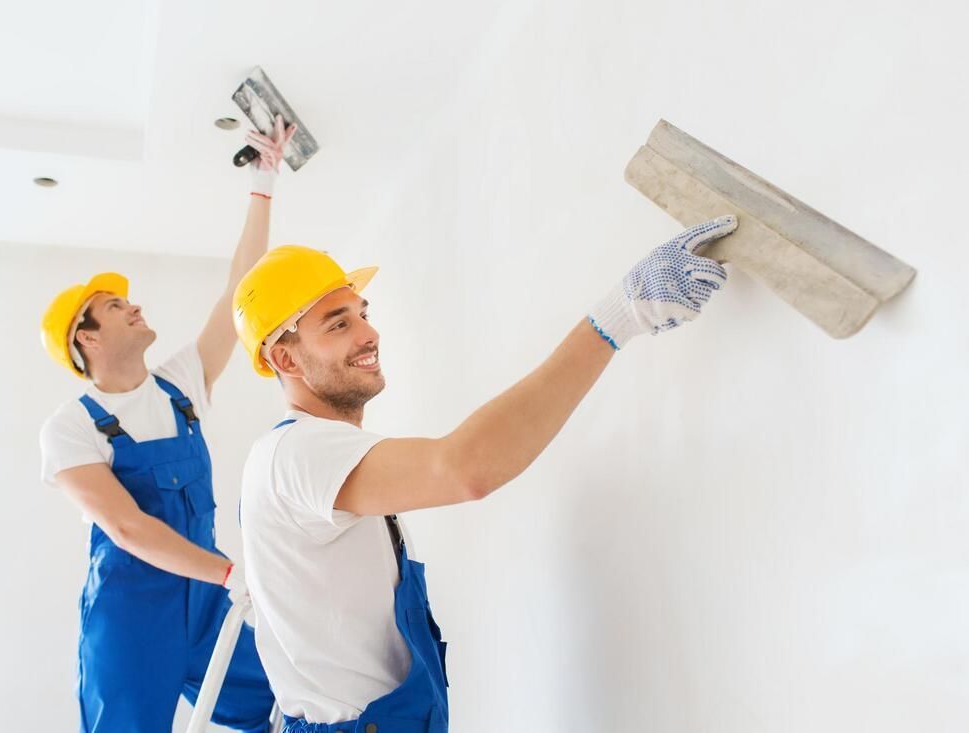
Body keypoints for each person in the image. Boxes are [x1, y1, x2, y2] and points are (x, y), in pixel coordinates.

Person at [231, 215, 738, 732]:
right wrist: (619, 316)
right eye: (338, 324)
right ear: (285, 359)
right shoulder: (297, 452)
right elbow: (465, 468)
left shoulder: (306, 454)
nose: (369, 333)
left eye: (362, 313)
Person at [38, 118, 296, 733]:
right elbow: (127, 527)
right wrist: (233, 574)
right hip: (131, 617)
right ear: (86, 337)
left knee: (289, 706)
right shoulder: (71, 429)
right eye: (115, 307)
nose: (135, 306)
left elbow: (242, 287)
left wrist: (263, 182)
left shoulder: (182, 388)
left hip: (207, 603)